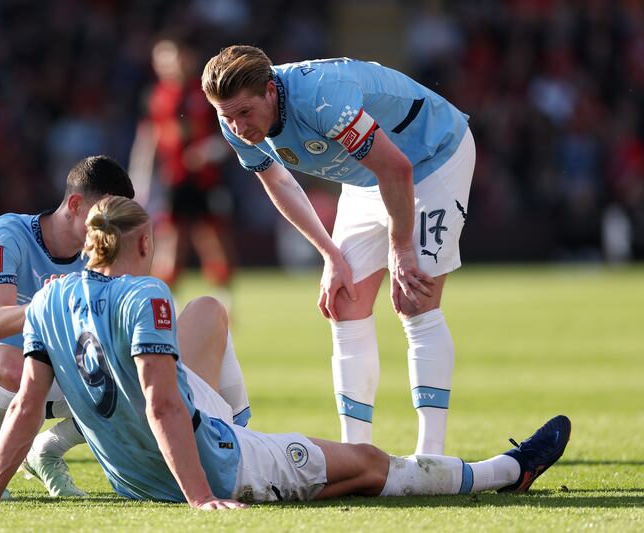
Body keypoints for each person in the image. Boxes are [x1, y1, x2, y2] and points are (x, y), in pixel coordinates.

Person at [0, 196, 570, 509]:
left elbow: (24, 406)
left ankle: (263, 447)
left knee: (210, 314)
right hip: (213, 463)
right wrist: (200, 498)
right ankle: (506, 472)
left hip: (134, 480)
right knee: (372, 464)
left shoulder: (46, 301)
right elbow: (161, 403)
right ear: (139, 243)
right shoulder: (145, 294)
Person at [201, 46, 476, 452]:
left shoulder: (322, 98)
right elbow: (278, 183)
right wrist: (330, 254)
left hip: (433, 158)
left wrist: (400, 248)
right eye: (227, 117)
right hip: (369, 177)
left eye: (245, 113)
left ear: (271, 92)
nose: (238, 127)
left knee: (414, 299)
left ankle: (430, 457)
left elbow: (397, 168)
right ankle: (356, 452)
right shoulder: (232, 121)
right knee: (343, 302)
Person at [0, 155, 135, 499]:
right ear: (74, 204)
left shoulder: (98, 255)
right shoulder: (9, 234)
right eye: (105, 216)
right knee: (17, 367)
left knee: (131, 383)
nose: (112, 229)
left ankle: (46, 452)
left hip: (43, 375)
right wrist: (51, 303)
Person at [129, 37, 235, 299]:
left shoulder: (207, 92)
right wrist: (139, 181)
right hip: (173, 180)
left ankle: (224, 303)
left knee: (212, 240)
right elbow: (147, 141)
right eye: (161, 58)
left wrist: (209, 151)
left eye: (173, 57)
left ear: (187, 57)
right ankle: (165, 304)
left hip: (206, 179)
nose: (168, 64)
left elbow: (231, 134)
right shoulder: (155, 96)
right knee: (170, 243)